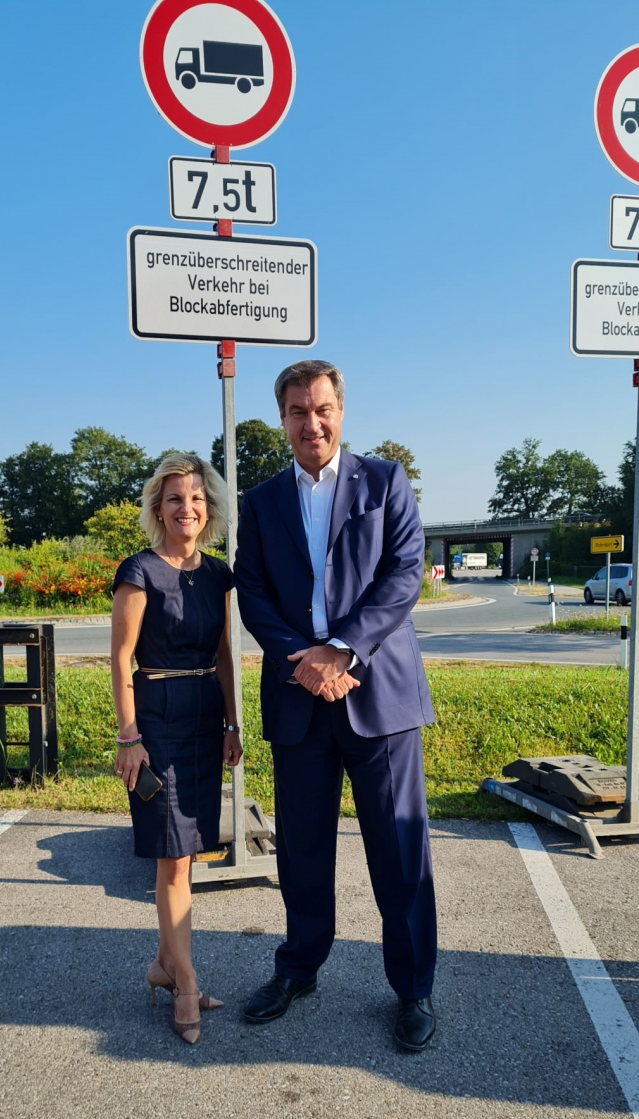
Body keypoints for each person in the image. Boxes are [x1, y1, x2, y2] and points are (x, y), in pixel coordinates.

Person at [234, 360, 438, 1052]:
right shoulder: (260, 501)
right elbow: (253, 591)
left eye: (321, 409)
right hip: (300, 698)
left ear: (341, 412)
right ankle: (299, 967)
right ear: (282, 420)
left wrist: (342, 649)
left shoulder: (385, 482)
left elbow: (404, 572)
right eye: (297, 411)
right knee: (302, 848)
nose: (310, 422)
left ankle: (413, 988)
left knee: (399, 847)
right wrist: (307, 658)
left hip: (377, 695)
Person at [110, 453, 242, 1045]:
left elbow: (223, 656)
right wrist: (129, 737)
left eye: (195, 497)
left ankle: (166, 966)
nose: (185, 507)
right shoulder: (138, 570)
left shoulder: (219, 575)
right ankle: (186, 982)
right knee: (170, 853)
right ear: (157, 509)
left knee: (187, 852)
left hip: (204, 717)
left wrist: (233, 723)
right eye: (173, 499)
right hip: (156, 721)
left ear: (208, 507)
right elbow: (119, 659)